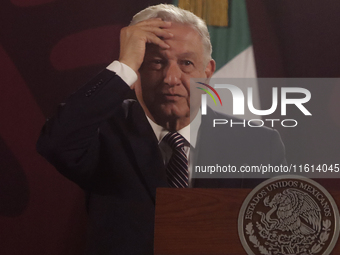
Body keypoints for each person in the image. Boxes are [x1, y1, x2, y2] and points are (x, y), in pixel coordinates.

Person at [37, 4, 286, 254]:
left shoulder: (258, 144)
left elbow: (276, 236)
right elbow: (55, 143)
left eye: (186, 63)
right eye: (156, 63)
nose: (171, 78)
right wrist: (124, 64)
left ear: (208, 72)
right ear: (137, 72)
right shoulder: (103, 131)